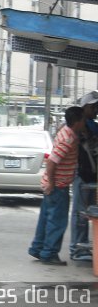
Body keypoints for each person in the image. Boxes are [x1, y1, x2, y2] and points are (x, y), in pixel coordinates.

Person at [28, 105, 84, 266]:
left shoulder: (65, 130)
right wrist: (52, 183)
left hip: (52, 185)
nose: (84, 123)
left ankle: (38, 249)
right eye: (83, 120)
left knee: (46, 218)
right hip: (57, 186)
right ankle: (49, 253)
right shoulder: (69, 139)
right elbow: (52, 161)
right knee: (57, 222)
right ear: (77, 122)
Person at [70, 91, 98, 261]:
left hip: (90, 175)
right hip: (81, 174)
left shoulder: (91, 125)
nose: (96, 110)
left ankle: (81, 246)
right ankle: (77, 248)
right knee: (80, 212)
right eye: (94, 106)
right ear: (86, 107)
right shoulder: (79, 126)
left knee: (88, 212)